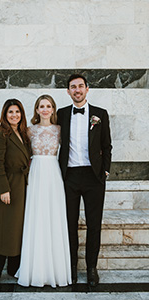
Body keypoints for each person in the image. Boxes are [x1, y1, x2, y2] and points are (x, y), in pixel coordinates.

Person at [57, 74, 112, 286]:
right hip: (69, 176)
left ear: (87, 89)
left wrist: (105, 171)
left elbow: (106, 145)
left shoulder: (100, 114)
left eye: (80, 86)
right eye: (73, 87)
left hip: (93, 177)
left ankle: (91, 268)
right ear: (68, 91)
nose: (77, 90)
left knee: (94, 225)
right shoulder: (61, 114)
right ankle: (71, 267)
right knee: (69, 225)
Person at [16, 95, 72, 288]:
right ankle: (34, 268)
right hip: (36, 174)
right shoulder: (29, 131)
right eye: (42, 106)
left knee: (53, 217)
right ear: (37, 110)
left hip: (54, 175)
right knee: (36, 217)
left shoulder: (60, 130)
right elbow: (22, 154)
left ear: (53, 109)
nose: (45, 109)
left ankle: (56, 269)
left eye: (49, 106)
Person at [0, 99, 30, 288]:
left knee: (16, 230)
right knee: (1, 230)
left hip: (21, 186)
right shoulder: (0, 135)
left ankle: (14, 269)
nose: (14, 115)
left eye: (17, 112)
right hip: (7, 187)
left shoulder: (23, 134)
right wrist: (4, 189)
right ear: (4, 114)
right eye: (10, 112)